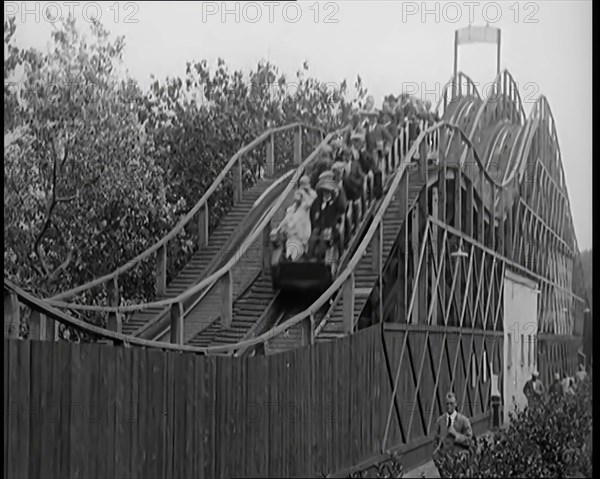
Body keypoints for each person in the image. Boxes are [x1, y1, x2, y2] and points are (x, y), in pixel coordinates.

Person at [307, 171, 346, 261]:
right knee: (312, 240)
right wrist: (316, 226)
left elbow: (342, 208)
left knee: (324, 243)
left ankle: (340, 253)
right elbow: (312, 214)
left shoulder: (335, 201)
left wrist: (340, 191)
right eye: (324, 191)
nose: (326, 193)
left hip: (331, 227)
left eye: (328, 191)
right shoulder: (317, 201)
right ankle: (310, 258)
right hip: (319, 227)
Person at [432, 392, 473, 478]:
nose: (449, 406)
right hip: (444, 463)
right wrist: (438, 456)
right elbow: (435, 440)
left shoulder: (464, 421)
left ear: (456, 404)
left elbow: (469, 441)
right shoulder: (440, 421)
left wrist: (456, 434)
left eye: (451, 403)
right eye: (447, 404)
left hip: (459, 462)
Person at [272, 189, 312, 261]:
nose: (297, 201)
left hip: (300, 239)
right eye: (296, 199)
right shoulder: (290, 210)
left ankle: (292, 260)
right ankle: (288, 259)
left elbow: (310, 202)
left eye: (299, 199)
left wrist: (303, 192)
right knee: (289, 251)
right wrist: (278, 229)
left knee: (296, 252)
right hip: (290, 238)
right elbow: (285, 222)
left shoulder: (305, 210)